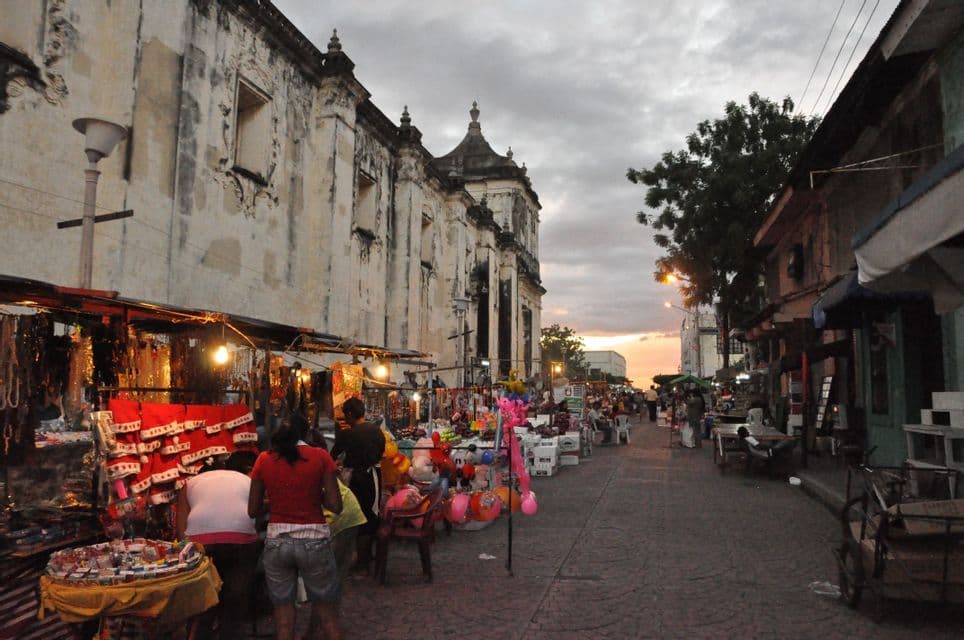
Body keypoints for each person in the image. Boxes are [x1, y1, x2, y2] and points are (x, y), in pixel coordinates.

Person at [248, 418, 343, 640]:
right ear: (306, 433)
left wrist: (278, 499)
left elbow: (252, 510)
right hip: (314, 541)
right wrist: (313, 494)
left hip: (277, 543)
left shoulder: (264, 459)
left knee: (283, 621)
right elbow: (336, 505)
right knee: (327, 616)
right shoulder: (320, 456)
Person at [176, 451, 259, 640]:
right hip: (240, 539)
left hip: (201, 542)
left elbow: (181, 529)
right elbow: (255, 510)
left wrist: (188, 553)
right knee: (235, 598)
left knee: (205, 599)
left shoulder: (190, 484)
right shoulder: (246, 480)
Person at [330, 397, 385, 575]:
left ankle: (360, 563)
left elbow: (333, 455)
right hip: (374, 478)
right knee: (370, 516)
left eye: (346, 416)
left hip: (357, 480)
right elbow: (380, 454)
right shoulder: (377, 431)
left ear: (351, 414)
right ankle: (366, 559)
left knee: (358, 517)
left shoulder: (349, 434)